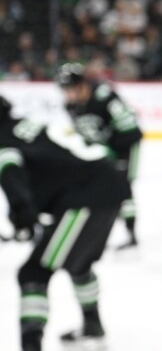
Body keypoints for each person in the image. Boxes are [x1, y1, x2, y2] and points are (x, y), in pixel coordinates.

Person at [0, 96, 130, 351]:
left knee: (33, 272)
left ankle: (31, 346)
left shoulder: (4, 144)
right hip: (108, 187)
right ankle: (93, 325)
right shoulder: (26, 125)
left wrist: (23, 218)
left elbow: (14, 181)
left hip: (85, 198)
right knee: (78, 261)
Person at [57, 62, 143, 249]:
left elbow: (129, 128)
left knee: (123, 186)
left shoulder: (105, 96)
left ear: (81, 85)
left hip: (126, 145)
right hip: (105, 148)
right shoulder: (72, 106)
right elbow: (85, 134)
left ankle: (131, 234)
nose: (67, 94)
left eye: (70, 89)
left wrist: (113, 152)